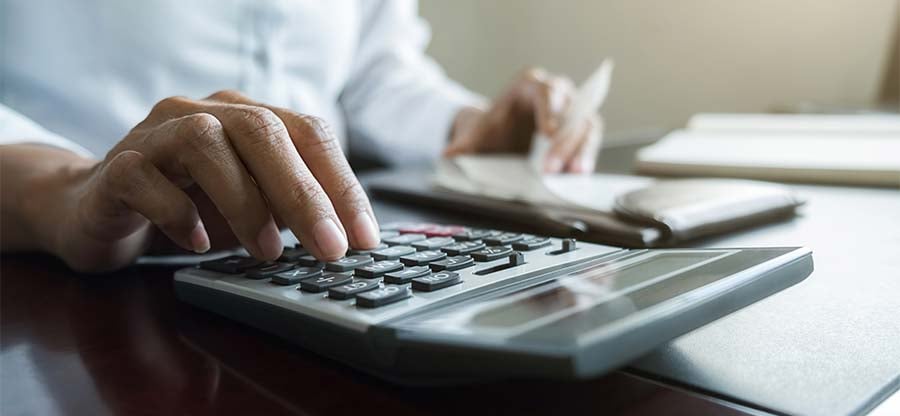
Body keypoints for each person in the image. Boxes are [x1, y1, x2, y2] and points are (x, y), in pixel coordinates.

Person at [0, 0, 602, 272]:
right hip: (61, 277)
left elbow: (372, 69)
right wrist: (60, 190)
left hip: (317, 261)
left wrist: (469, 129)